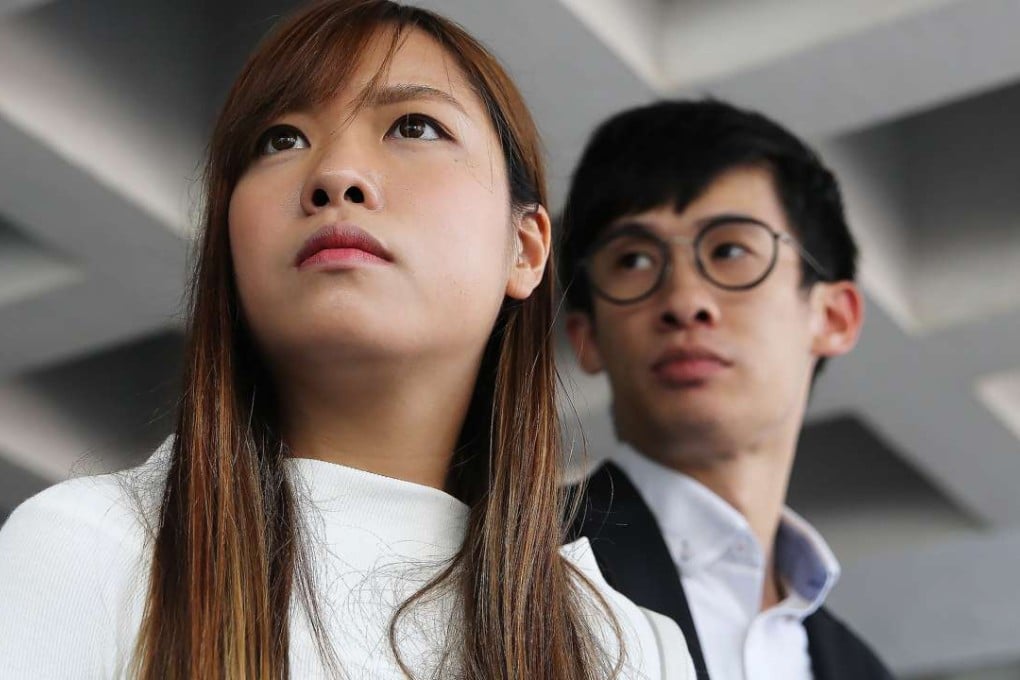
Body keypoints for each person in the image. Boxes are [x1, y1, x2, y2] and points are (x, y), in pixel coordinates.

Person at [0, 3, 695, 678]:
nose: (335, 174)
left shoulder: (630, 647)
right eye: (281, 139)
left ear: (526, 247)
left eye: (414, 126)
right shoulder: (91, 549)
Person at [560, 100, 894, 680]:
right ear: (586, 336)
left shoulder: (864, 670)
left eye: (730, 250)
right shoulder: (510, 556)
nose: (685, 301)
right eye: (634, 260)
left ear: (833, 316)